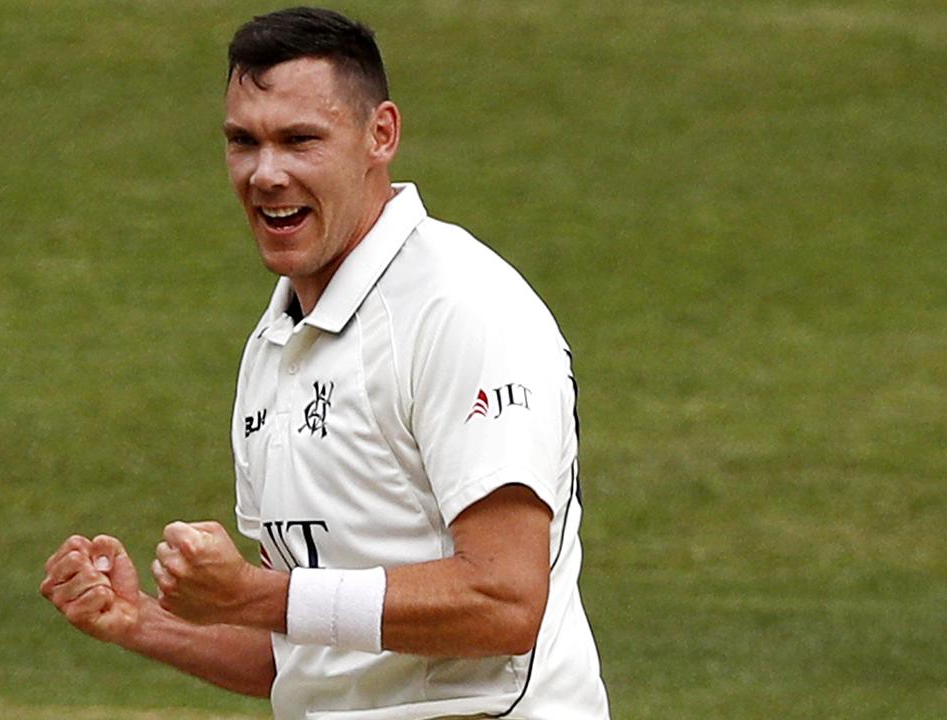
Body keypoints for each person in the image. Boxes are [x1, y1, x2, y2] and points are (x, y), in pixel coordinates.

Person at [41, 7, 610, 719]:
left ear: (381, 135)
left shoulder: (462, 309)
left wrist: (252, 594)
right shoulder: (280, 340)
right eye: (243, 142)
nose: (265, 173)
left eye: (299, 140)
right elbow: (309, 647)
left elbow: (503, 601)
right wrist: (142, 622)